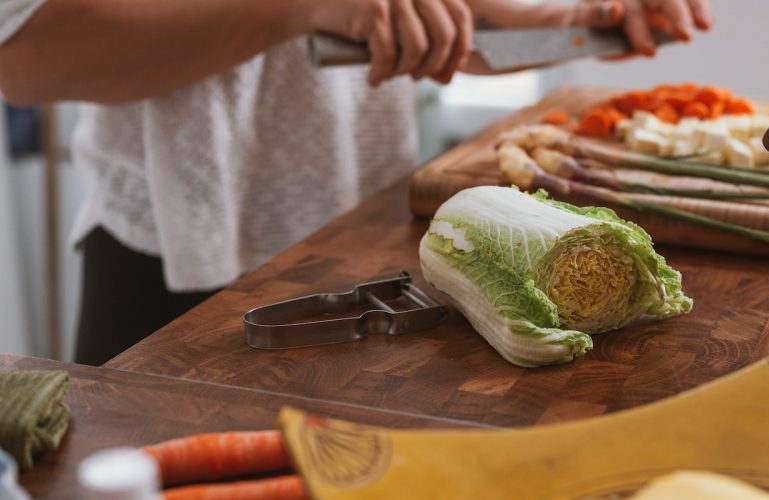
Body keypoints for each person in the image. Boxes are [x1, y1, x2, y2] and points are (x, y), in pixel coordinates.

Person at [0, 0, 713, 365]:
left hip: (368, 256)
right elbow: (24, 53)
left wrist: (563, 18)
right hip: (170, 276)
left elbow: (400, 19)